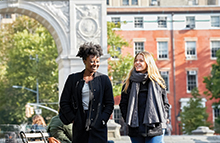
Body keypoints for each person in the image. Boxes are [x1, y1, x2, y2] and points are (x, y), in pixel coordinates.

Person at [59, 42, 114, 143]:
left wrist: (103, 119)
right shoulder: (73, 79)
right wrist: (73, 118)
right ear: (84, 61)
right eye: (92, 61)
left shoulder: (104, 79)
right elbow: (64, 102)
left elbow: (109, 103)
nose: (95, 64)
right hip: (80, 126)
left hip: (99, 127)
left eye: (97, 61)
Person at [119, 51, 170, 143]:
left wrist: (164, 117)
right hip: (135, 128)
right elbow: (123, 104)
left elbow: (165, 103)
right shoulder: (128, 83)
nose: (137, 63)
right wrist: (128, 118)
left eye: (141, 60)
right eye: (136, 60)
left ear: (148, 63)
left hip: (155, 128)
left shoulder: (158, 83)